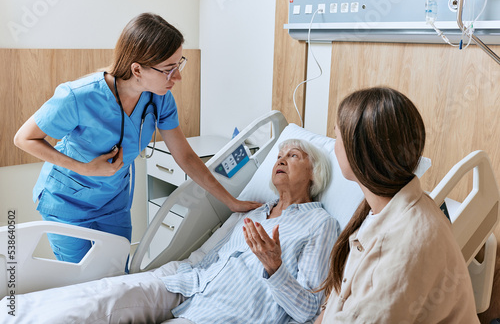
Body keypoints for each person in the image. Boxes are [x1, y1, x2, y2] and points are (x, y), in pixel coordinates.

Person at [0, 139, 340, 324]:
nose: (280, 159)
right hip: (190, 281)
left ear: (314, 173)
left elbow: (308, 310)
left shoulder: (319, 224)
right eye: (278, 154)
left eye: (292, 155)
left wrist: (274, 268)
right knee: (97, 299)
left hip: (226, 311)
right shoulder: (254, 209)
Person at [12, 12, 260, 263]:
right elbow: (24, 139)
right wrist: (86, 168)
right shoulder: (78, 96)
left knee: (116, 275)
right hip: (67, 203)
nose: (178, 77)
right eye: (168, 69)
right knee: (80, 282)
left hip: (113, 203)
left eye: (179, 64)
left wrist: (231, 201)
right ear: (137, 69)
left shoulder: (160, 99)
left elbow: (185, 156)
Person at [314, 87, 479, 323]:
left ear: (358, 151)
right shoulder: (385, 209)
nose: (332, 144)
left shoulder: (400, 247)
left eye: (336, 134)